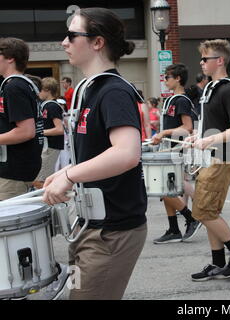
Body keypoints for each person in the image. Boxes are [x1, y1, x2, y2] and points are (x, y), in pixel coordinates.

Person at [42, 7, 147, 300]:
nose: (64, 42)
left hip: (111, 232)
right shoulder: (90, 90)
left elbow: (127, 153)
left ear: (97, 42)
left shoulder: (113, 91)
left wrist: (70, 174)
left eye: (71, 35)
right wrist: (64, 173)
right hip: (92, 227)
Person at [186, 39, 230, 281]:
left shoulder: (228, 89)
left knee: (202, 212)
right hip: (209, 157)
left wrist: (210, 141)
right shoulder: (211, 88)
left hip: (221, 158)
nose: (201, 63)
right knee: (208, 211)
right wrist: (198, 136)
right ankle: (217, 263)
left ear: (220, 61)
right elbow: (215, 124)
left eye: (206, 59)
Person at [151, 63, 201, 243]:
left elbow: (188, 127)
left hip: (177, 149)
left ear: (178, 78)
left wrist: (164, 133)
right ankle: (174, 228)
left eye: (168, 77)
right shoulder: (172, 99)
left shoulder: (182, 100)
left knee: (166, 189)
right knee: (166, 190)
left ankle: (193, 216)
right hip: (168, 148)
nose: (165, 80)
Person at [0, 37, 43, 200]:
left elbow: (26, 131)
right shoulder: (21, 84)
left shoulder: (14, 87)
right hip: (19, 168)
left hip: (13, 172)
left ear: (10, 58)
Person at [33, 77, 65, 189]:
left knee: (41, 179)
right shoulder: (46, 105)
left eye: (40, 90)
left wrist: (39, 132)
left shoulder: (52, 106)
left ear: (47, 90)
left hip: (51, 146)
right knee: (41, 177)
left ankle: (47, 202)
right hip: (46, 145)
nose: (38, 93)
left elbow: (59, 129)